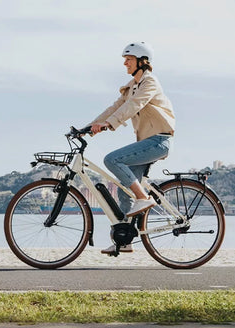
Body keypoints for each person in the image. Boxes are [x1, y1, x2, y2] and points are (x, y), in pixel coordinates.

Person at [88, 42, 175, 254]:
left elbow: (134, 105)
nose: (125, 63)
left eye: (129, 59)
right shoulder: (131, 86)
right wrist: (91, 126)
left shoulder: (149, 83)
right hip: (146, 143)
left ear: (142, 61)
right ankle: (125, 240)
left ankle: (144, 199)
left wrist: (109, 124)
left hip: (158, 141)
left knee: (112, 159)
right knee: (125, 191)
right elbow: (115, 107)